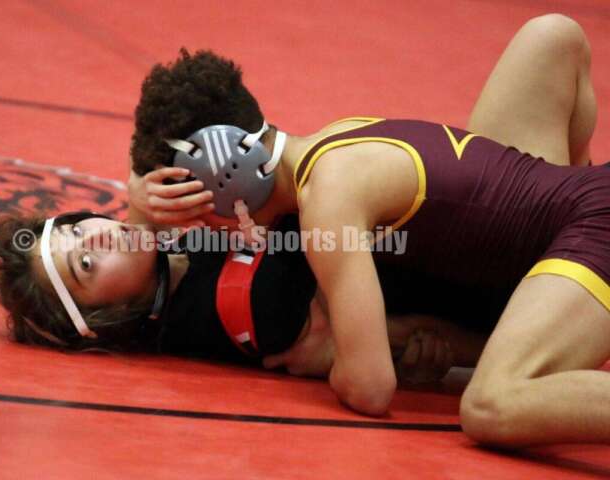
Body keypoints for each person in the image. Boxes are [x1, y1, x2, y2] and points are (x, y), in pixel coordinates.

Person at [128, 13, 609, 448]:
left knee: (490, 404)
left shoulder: (327, 200)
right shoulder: (332, 142)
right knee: (549, 37)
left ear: (225, 176)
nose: (203, 228)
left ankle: (571, 318)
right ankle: (571, 320)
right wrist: (138, 195)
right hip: (566, 215)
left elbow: (370, 387)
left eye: (195, 207)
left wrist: (329, 354)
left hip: (595, 223)